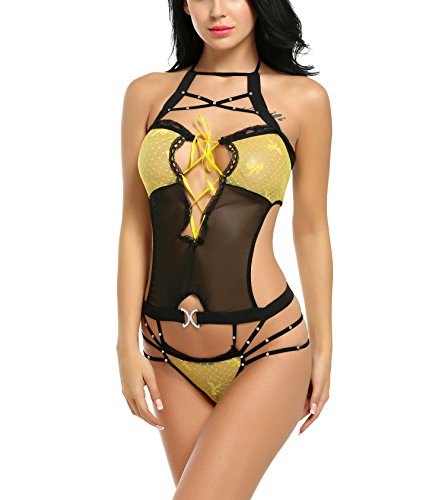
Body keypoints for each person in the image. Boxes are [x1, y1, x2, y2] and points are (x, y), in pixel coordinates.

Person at [117, 0, 333, 497]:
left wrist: (324, 347)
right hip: (165, 351)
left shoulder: (304, 100)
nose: (218, 9)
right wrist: (125, 343)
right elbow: (134, 227)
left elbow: (311, 229)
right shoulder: (146, 94)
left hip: (269, 345)